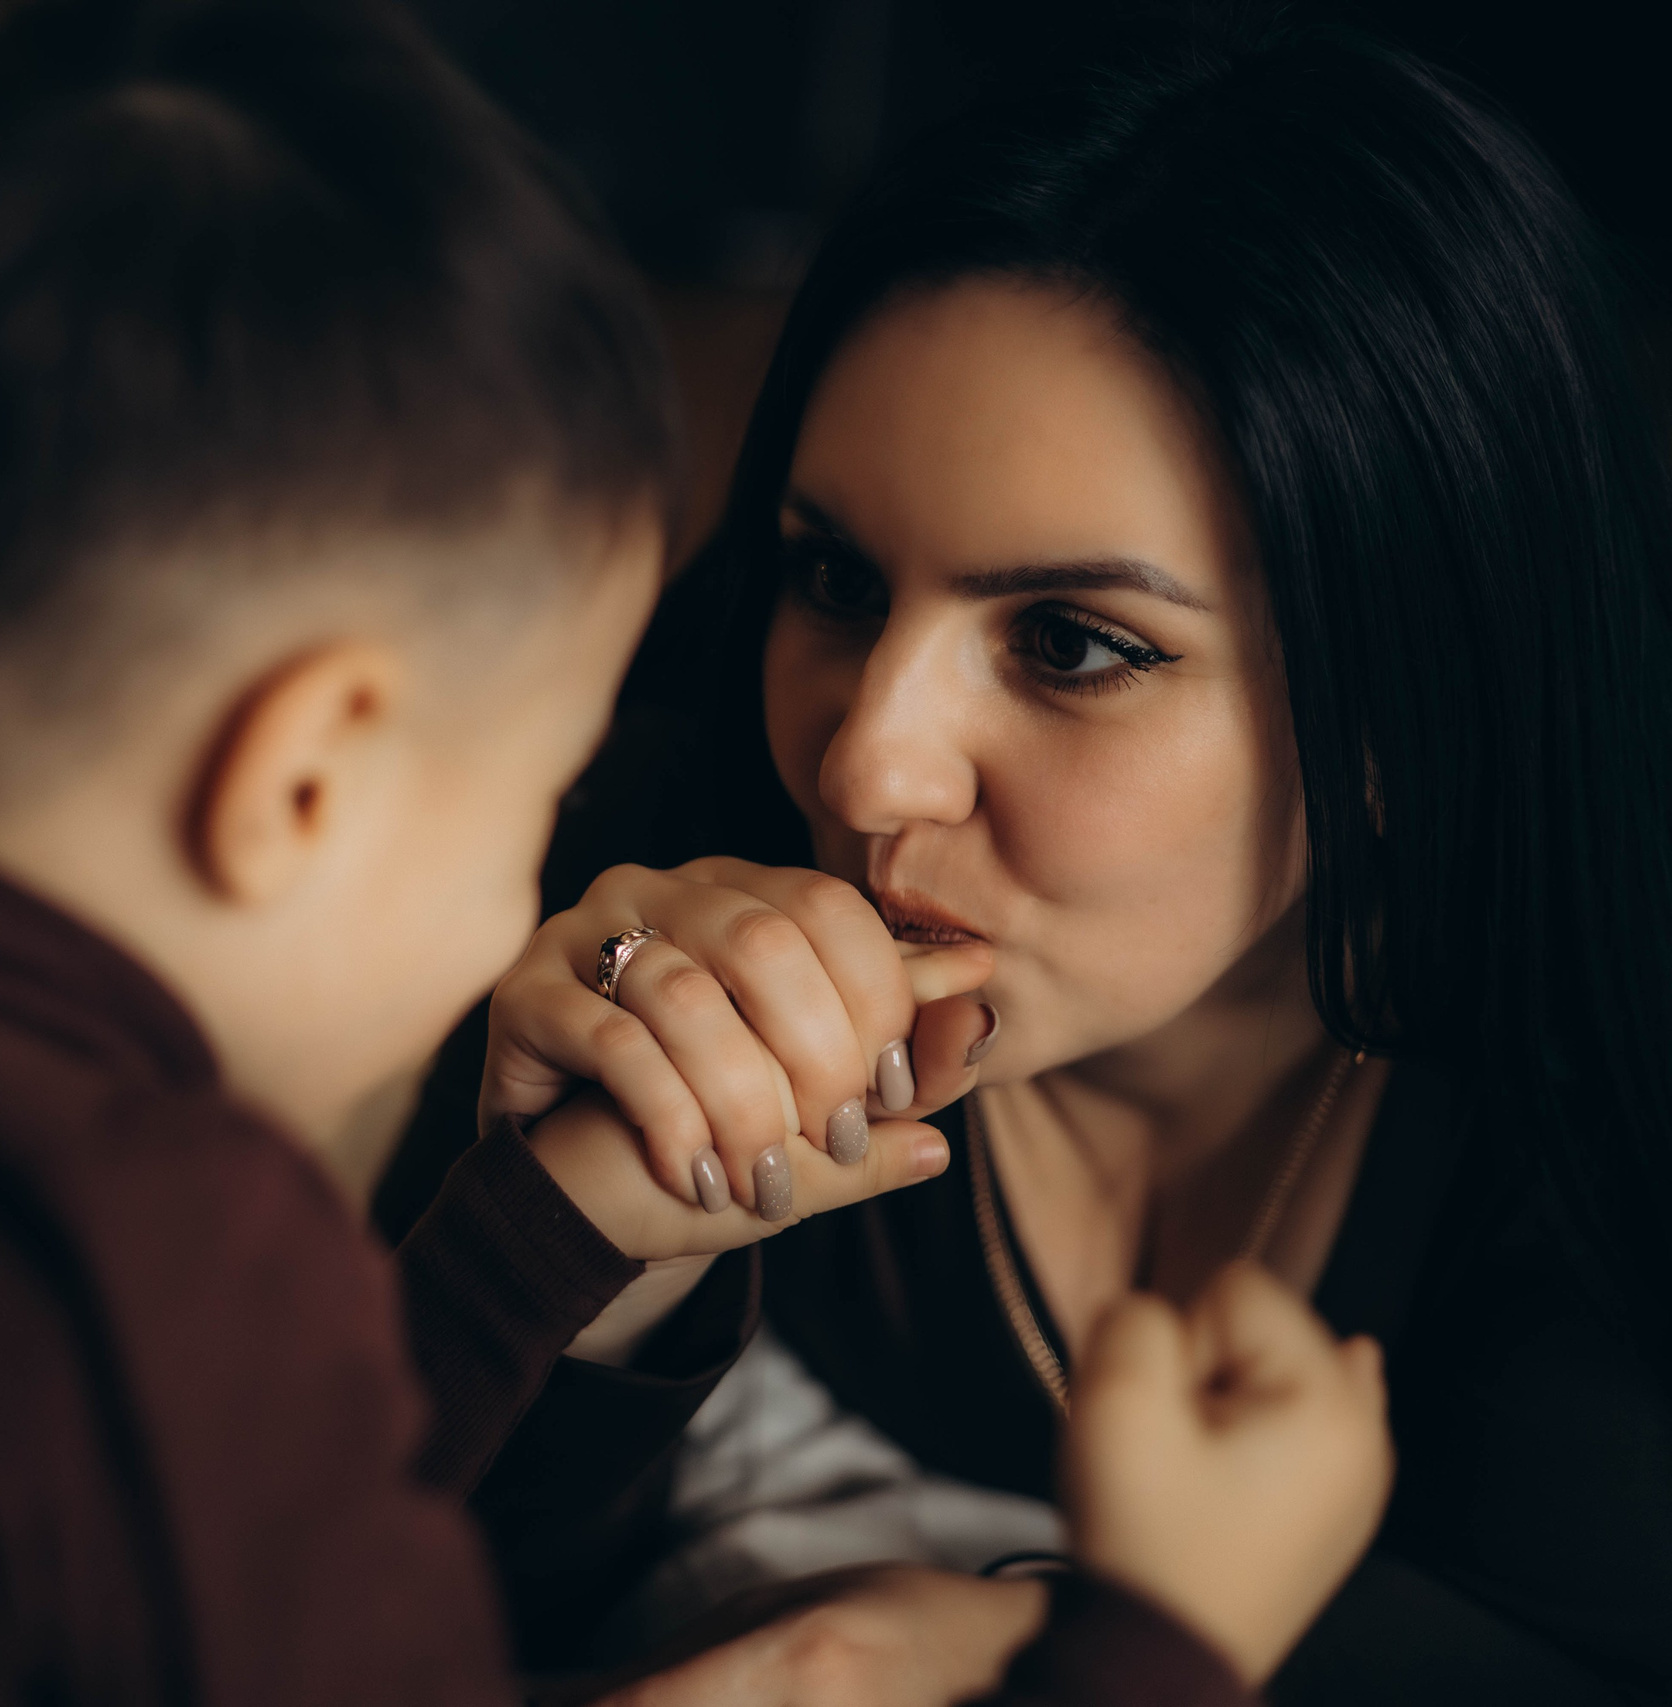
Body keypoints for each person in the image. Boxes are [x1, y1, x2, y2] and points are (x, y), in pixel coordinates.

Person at [0, 2, 1390, 1702]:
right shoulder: (179, 1260)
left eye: (1074, 643)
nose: (863, 767)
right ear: (301, 779)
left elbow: (210, 1534)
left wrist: (544, 1234)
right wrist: (1150, 1648)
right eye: (531, 796)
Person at [384, 13, 1672, 1703]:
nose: (862, 760)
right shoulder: (637, 909)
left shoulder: (1606, 1135)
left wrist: (1004, 1636)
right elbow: (325, 1609)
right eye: (836, 579)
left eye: (1071, 643)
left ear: (1401, 721)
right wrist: (568, 1263)